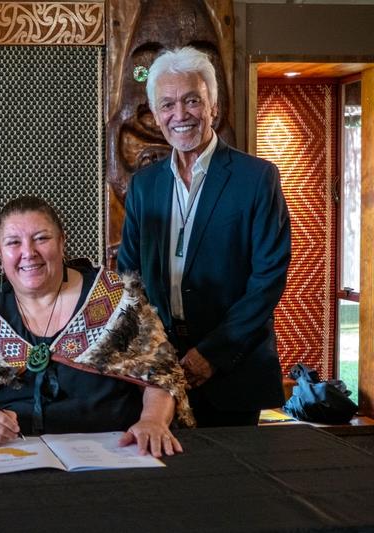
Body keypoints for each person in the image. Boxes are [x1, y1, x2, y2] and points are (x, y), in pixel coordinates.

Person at [0, 196, 193, 457]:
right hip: (13, 458)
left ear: (62, 242)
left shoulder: (116, 301)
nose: (29, 253)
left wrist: (152, 421)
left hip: (114, 455)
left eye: (41, 238)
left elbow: (162, 377)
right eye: (13, 243)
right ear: (0, 253)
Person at [118, 47, 291, 427]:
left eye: (192, 100)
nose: (180, 114)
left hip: (234, 367)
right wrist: (150, 349)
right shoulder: (144, 186)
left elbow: (267, 281)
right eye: (167, 104)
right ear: (156, 114)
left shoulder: (257, 179)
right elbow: (128, 273)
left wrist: (212, 353)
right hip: (159, 368)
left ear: (213, 105)